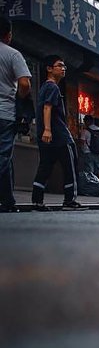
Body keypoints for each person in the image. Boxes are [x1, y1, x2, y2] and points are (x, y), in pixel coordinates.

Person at [31, 56, 84, 210]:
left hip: (47, 135)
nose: (63, 68)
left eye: (64, 66)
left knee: (45, 166)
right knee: (70, 167)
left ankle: (37, 200)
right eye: (59, 65)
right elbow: (47, 107)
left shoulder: (44, 87)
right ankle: (69, 200)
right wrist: (48, 129)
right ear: (49, 69)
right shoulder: (52, 87)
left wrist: (45, 131)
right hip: (59, 135)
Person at [0, 14, 32, 212]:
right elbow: (24, 83)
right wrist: (20, 98)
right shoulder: (12, 54)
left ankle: (8, 200)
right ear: (8, 34)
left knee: (6, 160)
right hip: (5, 113)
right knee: (3, 157)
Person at [80, 115, 99, 187]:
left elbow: (82, 142)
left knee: (89, 171)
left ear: (87, 121)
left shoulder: (85, 131)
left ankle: (92, 188)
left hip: (88, 152)